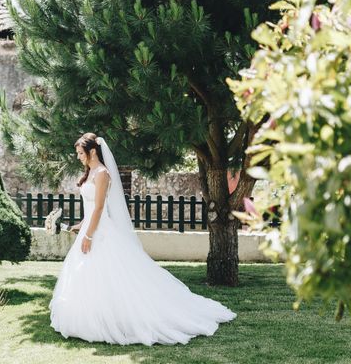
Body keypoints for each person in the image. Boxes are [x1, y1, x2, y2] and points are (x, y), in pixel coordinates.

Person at [49, 132, 236, 345]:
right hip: (90, 229)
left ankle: (115, 319)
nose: (78, 156)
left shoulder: (102, 173)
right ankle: (90, 316)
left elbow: (100, 208)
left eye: (80, 152)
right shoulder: (90, 172)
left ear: (92, 151)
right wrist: (80, 226)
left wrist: (89, 235)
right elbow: (90, 209)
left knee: (109, 274)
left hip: (100, 232)